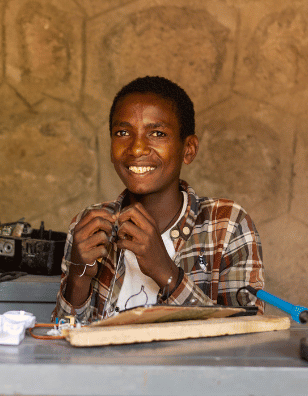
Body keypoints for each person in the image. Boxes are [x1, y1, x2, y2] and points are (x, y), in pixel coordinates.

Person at [54, 75, 264, 325]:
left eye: (157, 133)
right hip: (105, 365)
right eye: (122, 132)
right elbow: (61, 342)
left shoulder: (227, 225)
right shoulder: (89, 225)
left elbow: (247, 339)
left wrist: (165, 272)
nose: (137, 148)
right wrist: (79, 278)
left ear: (188, 149)